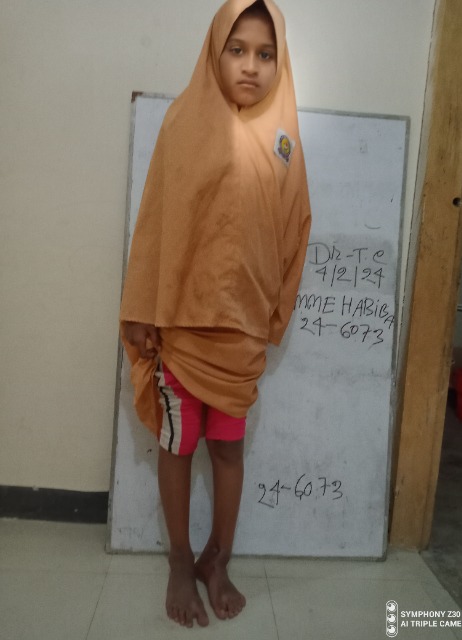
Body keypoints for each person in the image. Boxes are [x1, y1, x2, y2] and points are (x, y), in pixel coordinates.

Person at [120, 0, 311, 628]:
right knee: (178, 446)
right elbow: (155, 219)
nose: (251, 65)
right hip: (181, 328)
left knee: (228, 451)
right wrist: (142, 306)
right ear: (214, 52)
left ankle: (216, 558)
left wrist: (274, 314)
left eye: (265, 53)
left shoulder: (284, 141)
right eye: (237, 50)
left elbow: (296, 226)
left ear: (280, 62)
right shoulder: (183, 122)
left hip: (242, 334)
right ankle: (179, 559)